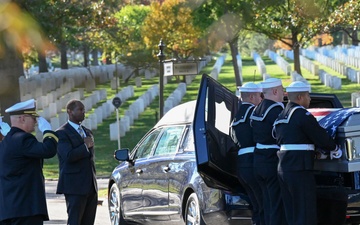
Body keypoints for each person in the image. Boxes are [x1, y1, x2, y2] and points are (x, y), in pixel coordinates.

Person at [273, 81, 342, 225]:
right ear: (300, 97)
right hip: (300, 169)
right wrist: (335, 148)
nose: (310, 99)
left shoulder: (281, 115)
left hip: (283, 168)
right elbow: (320, 136)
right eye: (308, 95)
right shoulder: (301, 115)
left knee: (292, 213)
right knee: (305, 213)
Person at [0, 99, 58, 225]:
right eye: (33, 118)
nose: (36, 122)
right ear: (22, 119)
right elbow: (48, 150)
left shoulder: (6, 141)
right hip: (25, 210)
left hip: (10, 210)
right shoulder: (23, 138)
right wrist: (48, 132)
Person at [249, 77, 286, 225]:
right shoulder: (277, 109)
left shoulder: (257, 108)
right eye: (282, 89)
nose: (284, 93)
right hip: (271, 160)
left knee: (267, 204)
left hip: (258, 160)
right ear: (276, 91)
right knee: (276, 205)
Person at [56, 99, 97, 225]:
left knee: (88, 222)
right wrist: (84, 147)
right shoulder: (61, 133)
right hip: (74, 186)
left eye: (84, 109)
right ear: (69, 111)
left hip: (90, 186)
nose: (83, 112)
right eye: (80, 109)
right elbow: (68, 156)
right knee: (75, 221)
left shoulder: (87, 131)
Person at [230, 82, 264, 225]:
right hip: (253, 162)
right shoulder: (254, 113)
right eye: (260, 96)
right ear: (251, 96)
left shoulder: (235, 118)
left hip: (242, 165)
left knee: (256, 205)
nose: (262, 99)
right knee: (264, 204)